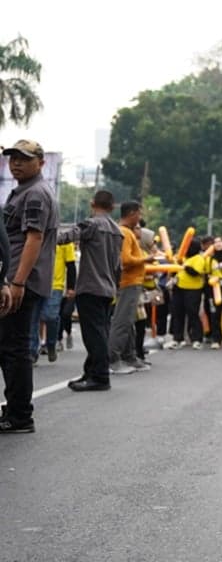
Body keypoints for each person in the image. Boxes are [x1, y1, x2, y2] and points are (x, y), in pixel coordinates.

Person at [0, 140, 56, 432]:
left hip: (20, 281)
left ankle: (20, 415)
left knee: (14, 348)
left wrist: (17, 281)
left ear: (41, 162)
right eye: (13, 158)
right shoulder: (25, 190)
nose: (16, 163)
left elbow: (34, 238)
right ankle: (16, 409)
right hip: (18, 279)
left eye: (23, 158)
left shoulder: (35, 194)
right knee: (11, 346)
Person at [54, 191, 121, 393]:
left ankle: (99, 377)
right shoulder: (117, 231)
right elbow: (118, 265)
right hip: (108, 288)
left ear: (92, 203)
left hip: (91, 286)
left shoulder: (91, 224)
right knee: (100, 331)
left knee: (93, 335)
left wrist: (43, 235)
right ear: (112, 207)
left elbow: (65, 237)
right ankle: (90, 372)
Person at [109, 201, 151, 373]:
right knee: (122, 322)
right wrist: (145, 259)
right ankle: (113, 359)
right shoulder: (125, 232)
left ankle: (129, 356)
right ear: (132, 213)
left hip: (131, 282)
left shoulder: (125, 232)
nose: (140, 218)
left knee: (128, 322)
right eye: (139, 214)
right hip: (128, 282)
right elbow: (125, 260)